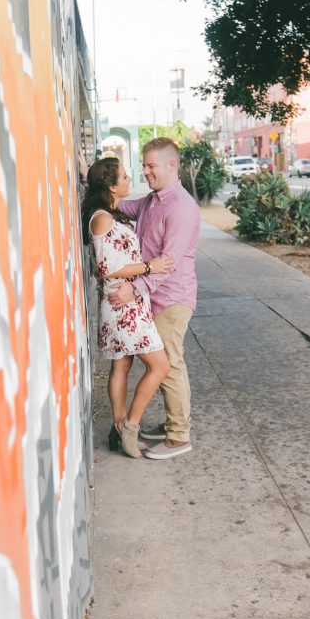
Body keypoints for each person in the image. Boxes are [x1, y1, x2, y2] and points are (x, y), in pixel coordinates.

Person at [107, 137, 200, 460]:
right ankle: (172, 422)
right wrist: (92, 178)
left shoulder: (181, 208)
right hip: (152, 297)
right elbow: (122, 206)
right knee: (163, 363)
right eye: (143, 166)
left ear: (171, 165)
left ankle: (179, 436)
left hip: (172, 298)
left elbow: (169, 263)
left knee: (170, 364)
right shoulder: (152, 201)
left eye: (150, 166)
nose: (144, 171)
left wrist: (133, 289)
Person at [82, 156, 176, 459]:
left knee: (122, 364)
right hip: (122, 305)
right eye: (123, 176)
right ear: (111, 186)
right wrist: (151, 266)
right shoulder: (103, 218)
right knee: (160, 365)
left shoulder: (109, 213)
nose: (128, 178)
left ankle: (119, 427)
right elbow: (108, 267)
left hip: (127, 301)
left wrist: (86, 170)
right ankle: (130, 429)